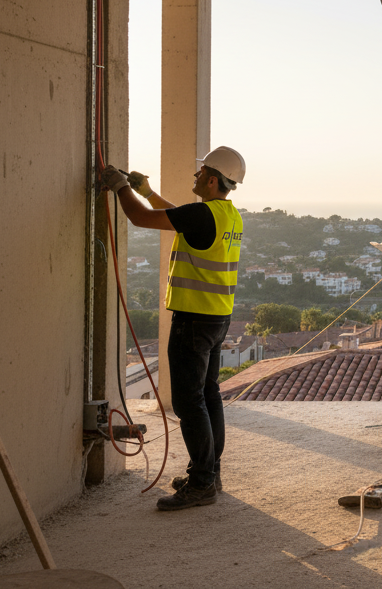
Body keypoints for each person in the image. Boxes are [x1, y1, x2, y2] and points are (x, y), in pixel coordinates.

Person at [100, 146, 246, 510]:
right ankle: (209, 472)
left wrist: (120, 187)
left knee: (188, 401)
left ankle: (201, 484)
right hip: (217, 319)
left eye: (200, 174)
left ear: (212, 180)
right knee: (208, 395)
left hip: (193, 321)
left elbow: (140, 218)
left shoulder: (201, 214)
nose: (195, 178)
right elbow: (177, 216)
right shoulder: (229, 215)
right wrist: (146, 191)